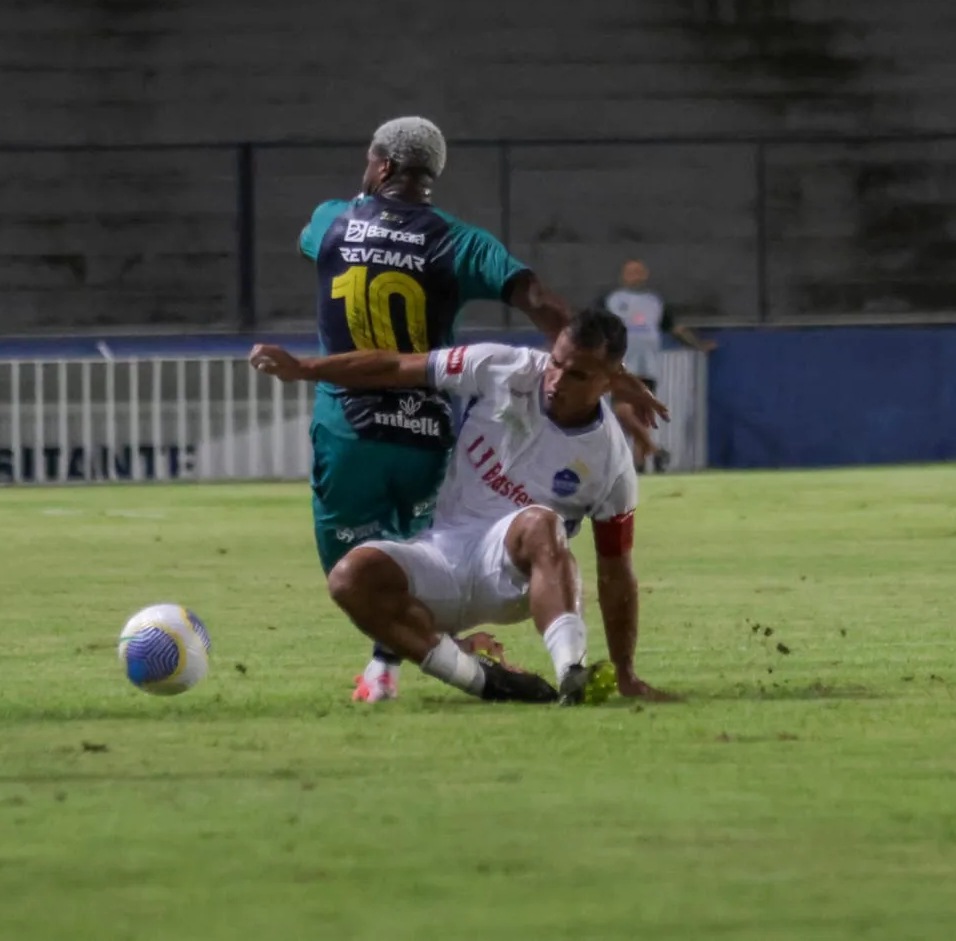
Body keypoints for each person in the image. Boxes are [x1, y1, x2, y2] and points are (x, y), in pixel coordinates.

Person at [298, 117, 665, 702]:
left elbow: (374, 343)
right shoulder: (460, 241)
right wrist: (616, 379)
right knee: (410, 549)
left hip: (349, 425)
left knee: (353, 571)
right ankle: (453, 667)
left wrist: (303, 369)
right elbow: (542, 303)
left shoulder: (328, 221)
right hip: (425, 432)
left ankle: (387, 671)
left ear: (383, 166)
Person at [251, 309, 674, 706]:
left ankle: (571, 673)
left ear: (611, 381)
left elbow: (616, 568)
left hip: (512, 579)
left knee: (540, 521)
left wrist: (625, 673)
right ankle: (484, 681)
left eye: (577, 374)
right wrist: (305, 368)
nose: (557, 380)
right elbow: (398, 367)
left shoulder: (611, 462)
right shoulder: (502, 366)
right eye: (556, 363)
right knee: (349, 578)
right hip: (441, 553)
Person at [601, 259, 716, 472]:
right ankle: (654, 449)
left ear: (645, 275)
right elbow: (590, 325)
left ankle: (640, 464)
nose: (635, 276)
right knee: (623, 410)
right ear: (623, 275)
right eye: (630, 272)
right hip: (621, 364)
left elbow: (675, 328)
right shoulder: (611, 300)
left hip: (649, 365)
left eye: (639, 272)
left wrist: (699, 345)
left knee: (642, 414)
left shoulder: (655, 302)